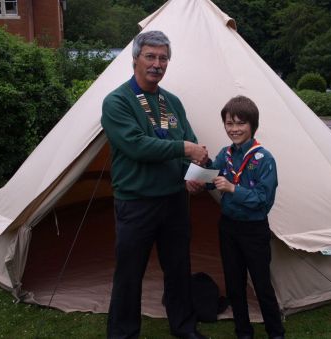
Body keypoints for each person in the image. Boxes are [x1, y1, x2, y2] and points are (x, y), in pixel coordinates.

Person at [101, 30, 208, 339]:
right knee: (129, 275)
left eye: (163, 58)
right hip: (136, 202)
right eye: (150, 56)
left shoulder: (171, 102)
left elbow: (188, 138)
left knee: (178, 268)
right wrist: (185, 149)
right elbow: (137, 146)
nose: (157, 64)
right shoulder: (117, 102)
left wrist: (192, 175)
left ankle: (184, 327)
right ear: (136, 59)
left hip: (174, 200)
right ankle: (123, 334)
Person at [210, 96, 285, 339]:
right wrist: (198, 179)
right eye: (229, 124)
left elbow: (263, 201)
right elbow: (212, 176)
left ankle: (276, 332)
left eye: (240, 123)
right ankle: (243, 330)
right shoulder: (225, 154)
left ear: (253, 125)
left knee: (262, 285)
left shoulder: (264, 159)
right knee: (234, 283)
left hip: (254, 230)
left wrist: (233, 188)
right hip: (229, 228)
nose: (234, 129)